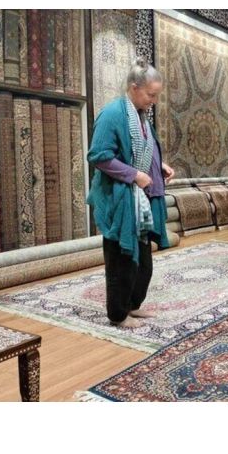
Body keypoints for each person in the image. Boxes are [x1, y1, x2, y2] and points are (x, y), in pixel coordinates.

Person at [87, 58, 174, 327]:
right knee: (121, 258)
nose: (154, 101)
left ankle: (132, 305)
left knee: (143, 262)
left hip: (139, 200)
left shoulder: (141, 116)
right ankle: (118, 313)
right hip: (119, 200)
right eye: (151, 95)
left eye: (156, 95)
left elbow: (142, 150)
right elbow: (99, 156)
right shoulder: (113, 114)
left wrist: (159, 166)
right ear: (134, 88)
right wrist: (134, 175)